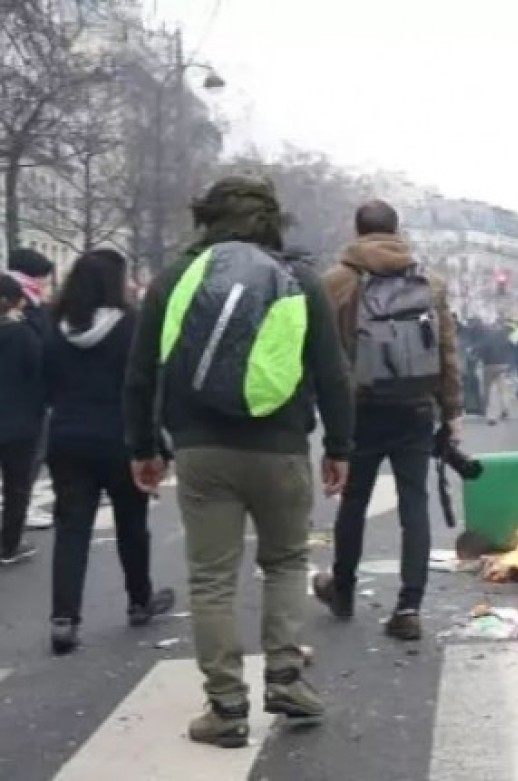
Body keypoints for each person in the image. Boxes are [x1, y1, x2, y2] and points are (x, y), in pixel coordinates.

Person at [125, 176, 355, 747]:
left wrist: (143, 447)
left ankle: (226, 708)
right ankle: (285, 680)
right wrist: (341, 448)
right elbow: (332, 372)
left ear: (208, 219)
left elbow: (140, 373)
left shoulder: (176, 278)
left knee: (212, 581)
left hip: (202, 450)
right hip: (280, 449)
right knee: (283, 564)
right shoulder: (300, 279)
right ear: (273, 221)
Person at [311, 200, 462, 642]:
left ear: (357, 231)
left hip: (358, 409)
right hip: (415, 407)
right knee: (414, 504)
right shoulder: (429, 283)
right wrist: (452, 412)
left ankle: (343, 590)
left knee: (353, 502)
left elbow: (319, 355)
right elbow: (448, 352)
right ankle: (409, 606)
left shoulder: (335, 282)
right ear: (397, 231)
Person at [43, 249, 176, 654]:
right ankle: (139, 600)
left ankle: (64, 617)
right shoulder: (132, 326)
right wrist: (154, 444)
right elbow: (143, 387)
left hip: (66, 437)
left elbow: (46, 381)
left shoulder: (52, 324)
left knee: (71, 530)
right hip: (121, 438)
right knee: (132, 524)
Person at [8, 248, 55, 531]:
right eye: (43, 279)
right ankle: (18, 511)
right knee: (29, 456)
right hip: (26, 395)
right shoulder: (26, 305)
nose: (45, 285)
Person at [0, 273, 43, 565]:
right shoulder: (23, 335)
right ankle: (8, 545)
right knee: (16, 487)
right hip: (18, 423)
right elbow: (40, 376)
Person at [479, 317, 514, 424]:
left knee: (489, 389)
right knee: (503, 389)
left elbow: (482, 349)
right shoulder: (505, 335)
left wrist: (481, 359)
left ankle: (491, 415)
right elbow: (511, 347)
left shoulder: (486, 336)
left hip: (489, 365)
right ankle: (505, 409)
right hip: (503, 364)